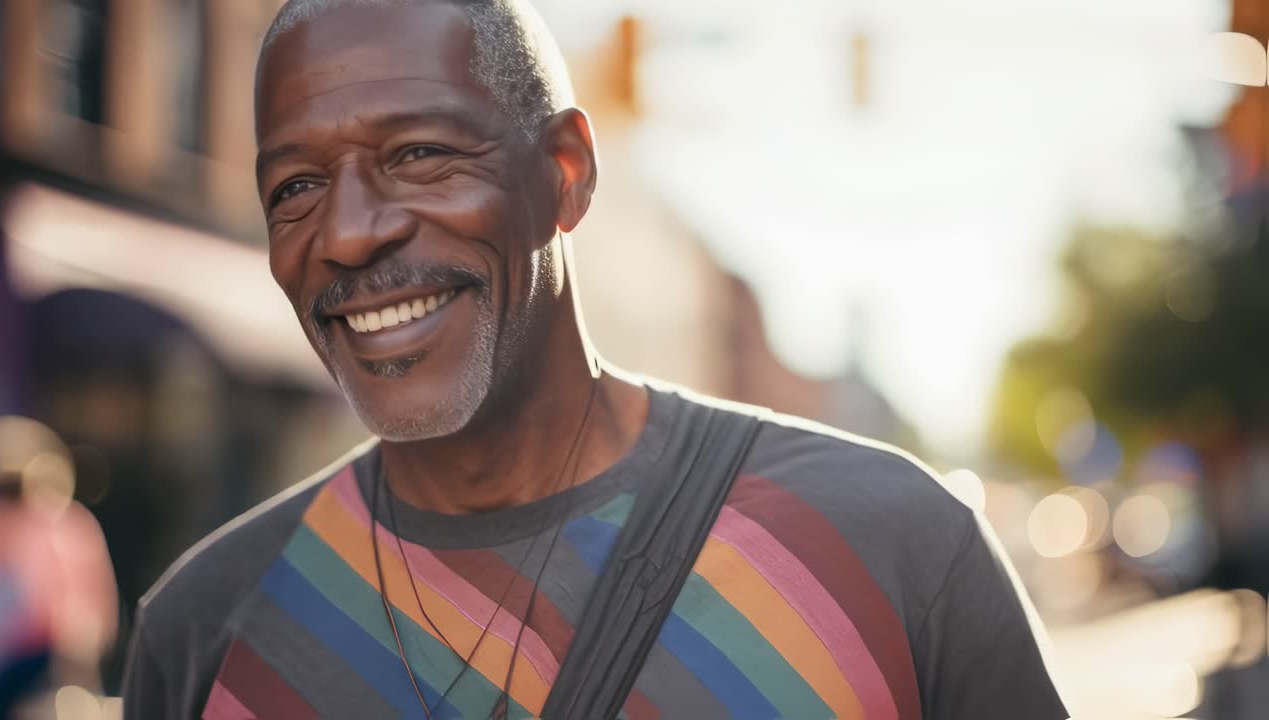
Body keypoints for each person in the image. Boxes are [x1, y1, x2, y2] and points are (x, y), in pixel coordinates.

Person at [121, 1, 1069, 718]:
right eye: (296, 186)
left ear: (565, 172)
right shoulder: (202, 631)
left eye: (418, 154)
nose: (350, 233)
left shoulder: (893, 550)